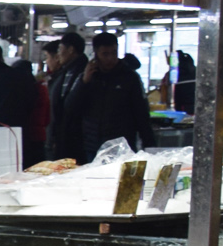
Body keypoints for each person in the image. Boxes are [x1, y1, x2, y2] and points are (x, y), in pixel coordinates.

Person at [62, 31, 157, 160]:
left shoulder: (130, 78)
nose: (110, 58)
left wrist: (149, 147)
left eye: (114, 53)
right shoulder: (87, 78)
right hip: (92, 146)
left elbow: (142, 113)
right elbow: (70, 107)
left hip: (122, 148)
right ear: (96, 53)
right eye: (105, 54)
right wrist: (84, 82)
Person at [46, 30, 88, 154]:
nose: (59, 54)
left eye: (60, 49)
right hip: (63, 135)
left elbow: (70, 105)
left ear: (71, 50)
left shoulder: (84, 73)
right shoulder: (65, 72)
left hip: (75, 137)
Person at [15, 59, 49, 169]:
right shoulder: (41, 89)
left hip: (23, 136)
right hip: (39, 136)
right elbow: (47, 115)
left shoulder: (16, 92)